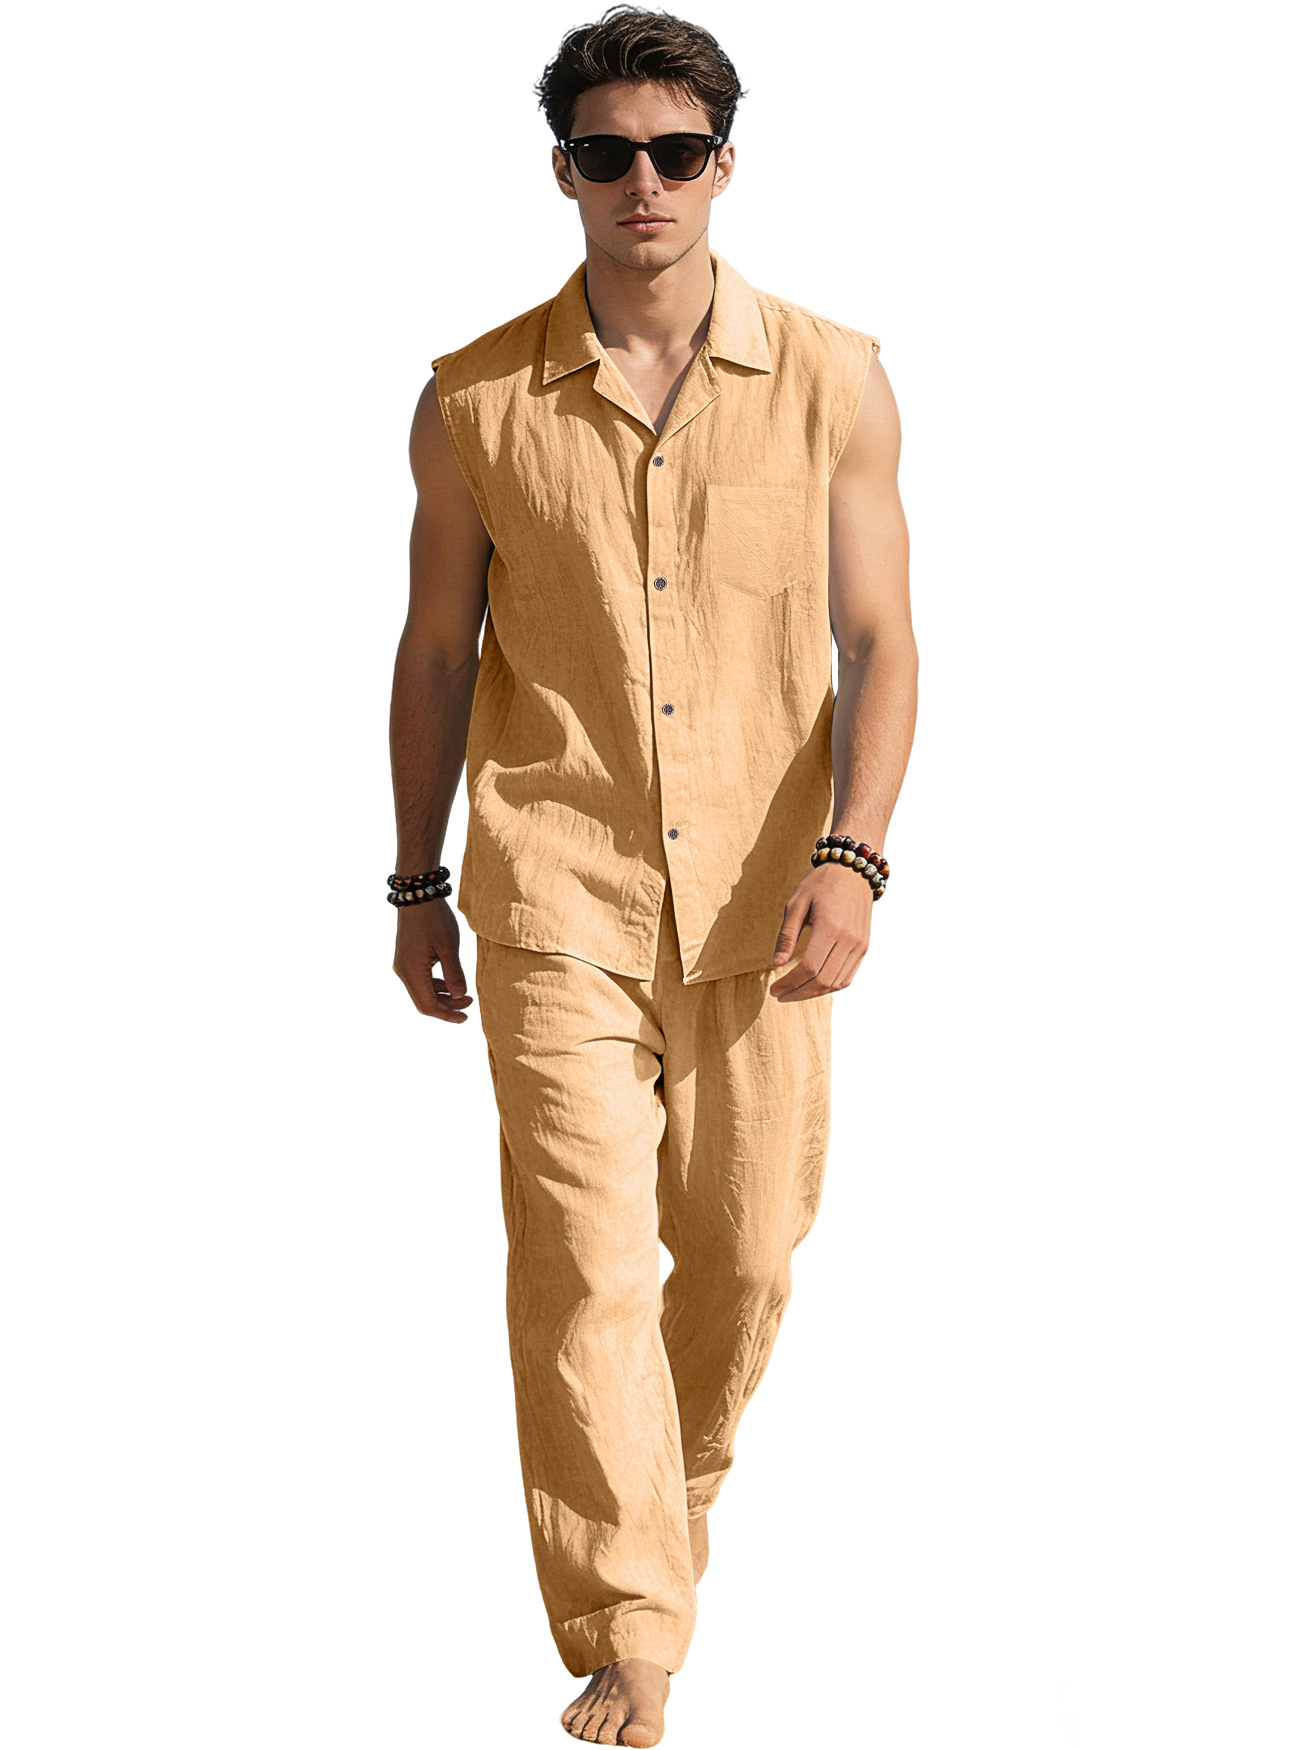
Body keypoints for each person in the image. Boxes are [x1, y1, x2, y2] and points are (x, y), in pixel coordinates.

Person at [388, 6, 916, 1742]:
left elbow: (879, 638)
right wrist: (415, 880)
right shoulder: (473, 398)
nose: (645, 182)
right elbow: (437, 652)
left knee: (748, 1250)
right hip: (556, 884)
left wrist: (854, 854)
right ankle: (632, 1625)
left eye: (677, 152)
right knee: (584, 1262)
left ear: (724, 167)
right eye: (608, 152)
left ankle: (656, 1515)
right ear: (563, 170)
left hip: (769, 897)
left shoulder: (836, 376)